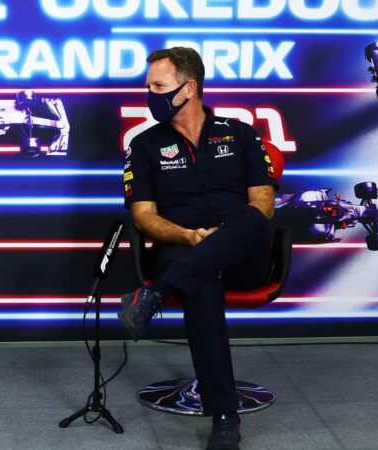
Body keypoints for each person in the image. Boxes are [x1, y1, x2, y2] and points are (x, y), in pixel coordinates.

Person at [117, 47, 277, 450]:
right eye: (148, 86)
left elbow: (263, 204)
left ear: (189, 88)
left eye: (158, 86)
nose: (149, 93)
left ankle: (155, 295)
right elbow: (144, 217)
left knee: (249, 218)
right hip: (181, 247)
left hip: (242, 252)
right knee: (201, 285)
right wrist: (190, 237)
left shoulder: (239, 133)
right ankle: (225, 418)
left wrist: (221, 238)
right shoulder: (145, 144)